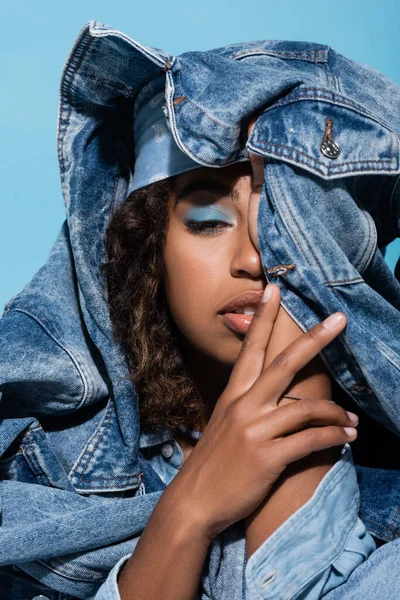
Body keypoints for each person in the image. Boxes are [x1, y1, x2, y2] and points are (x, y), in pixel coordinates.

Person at [1, 20, 400, 600]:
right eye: (210, 221)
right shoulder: (37, 491)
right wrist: (189, 513)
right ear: (149, 250)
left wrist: (300, 404)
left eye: (292, 231)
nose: (257, 260)